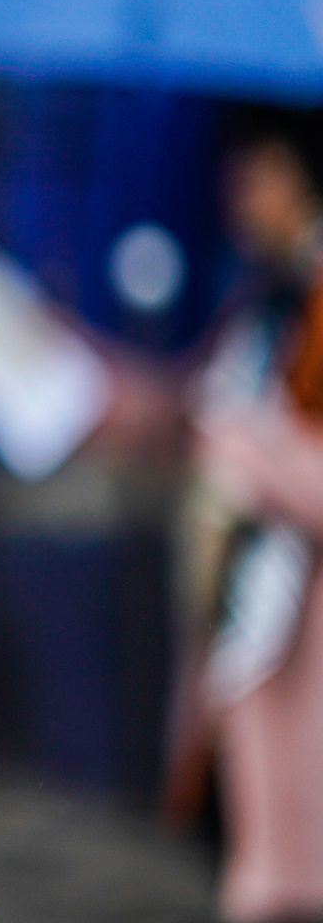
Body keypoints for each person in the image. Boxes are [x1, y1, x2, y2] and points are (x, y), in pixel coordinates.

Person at [177, 106, 323, 922]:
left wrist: (245, 452)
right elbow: (193, 404)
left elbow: (241, 437)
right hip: (255, 629)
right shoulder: (265, 295)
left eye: (259, 172)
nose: (240, 194)